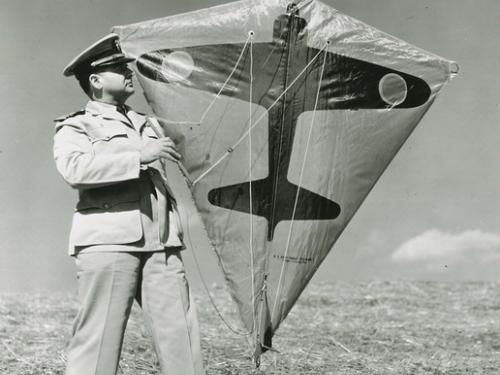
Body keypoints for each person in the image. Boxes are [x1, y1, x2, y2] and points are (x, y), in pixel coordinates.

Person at [53, 33, 205, 375]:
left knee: (183, 344)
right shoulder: (76, 125)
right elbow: (73, 169)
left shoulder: (149, 123)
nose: (128, 71)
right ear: (95, 80)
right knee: (98, 344)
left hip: (163, 245)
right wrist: (139, 155)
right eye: (119, 66)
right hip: (108, 243)